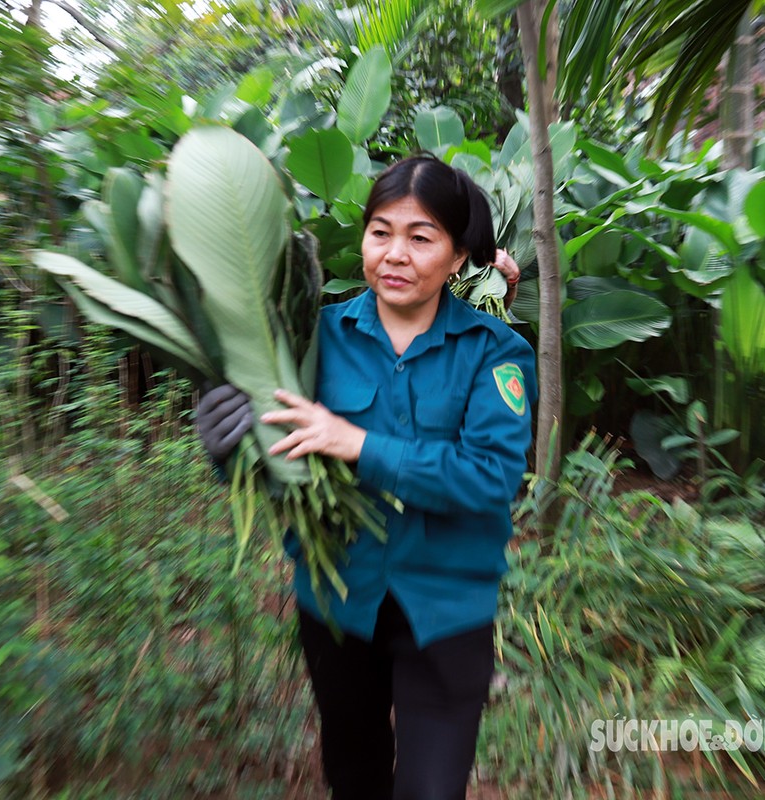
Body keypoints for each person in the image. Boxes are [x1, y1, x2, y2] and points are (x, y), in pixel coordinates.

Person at [196, 153, 536, 800]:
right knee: (354, 775)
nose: (396, 254)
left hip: (447, 608)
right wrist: (228, 449)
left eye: (421, 237)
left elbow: (492, 478)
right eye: (381, 232)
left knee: (431, 791)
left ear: (459, 257)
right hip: (339, 604)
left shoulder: (496, 353)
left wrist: (360, 444)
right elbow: (279, 460)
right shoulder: (314, 338)